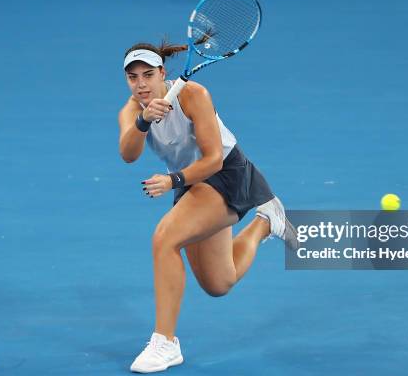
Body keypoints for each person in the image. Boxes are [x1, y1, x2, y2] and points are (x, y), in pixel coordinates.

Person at [118, 41, 297, 373]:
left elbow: (214, 160)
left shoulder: (193, 95)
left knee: (164, 238)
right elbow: (128, 154)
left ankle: (165, 342)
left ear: (162, 73)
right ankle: (266, 220)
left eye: (147, 75)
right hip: (190, 182)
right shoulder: (131, 110)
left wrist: (172, 180)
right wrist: (143, 121)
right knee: (219, 283)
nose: (141, 84)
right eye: (132, 77)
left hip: (225, 174)